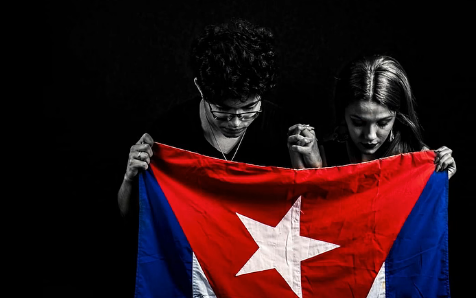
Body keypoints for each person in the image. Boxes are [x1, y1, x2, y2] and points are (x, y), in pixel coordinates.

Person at [118, 18, 295, 217]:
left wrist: (315, 168)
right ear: (200, 88)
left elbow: (305, 213)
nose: (236, 122)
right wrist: (129, 179)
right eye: (222, 109)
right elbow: (131, 218)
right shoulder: (168, 132)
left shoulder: (284, 128)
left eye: (249, 108)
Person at [287, 54, 456, 177]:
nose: (370, 136)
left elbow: (422, 212)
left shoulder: (417, 159)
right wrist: (311, 170)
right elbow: (313, 211)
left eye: (383, 123)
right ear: (343, 114)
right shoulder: (324, 155)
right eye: (358, 122)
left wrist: (439, 179)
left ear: (398, 116)